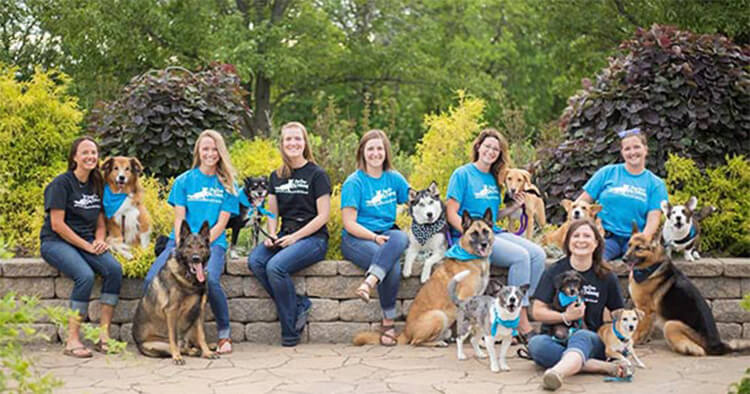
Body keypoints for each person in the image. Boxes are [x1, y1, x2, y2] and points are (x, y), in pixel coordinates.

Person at [144, 129, 239, 354]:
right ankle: (159, 332)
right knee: (151, 279)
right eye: (205, 148)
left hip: (211, 244)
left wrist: (202, 248)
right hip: (180, 243)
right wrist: (181, 247)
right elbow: (179, 218)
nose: (210, 153)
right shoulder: (183, 181)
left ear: (221, 152)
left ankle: (224, 335)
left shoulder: (228, 186)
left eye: (215, 149)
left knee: (210, 280)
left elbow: (221, 224)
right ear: (198, 150)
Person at [445, 128, 546, 337]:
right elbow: (451, 212)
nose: (491, 151)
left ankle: (518, 309)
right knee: (520, 257)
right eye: (487, 146)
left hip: (493, 232)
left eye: (496, 149)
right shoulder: (462, 174)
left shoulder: (494, 179)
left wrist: (510, 209)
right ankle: (520, 323)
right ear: (478, 147)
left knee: (538, 254)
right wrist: (467, 237)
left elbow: (492, 216)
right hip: (473, 238)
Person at [248, 122, 331, 347]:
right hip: (286, 234)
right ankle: (298, 304)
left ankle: (290, 332)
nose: (293, 143)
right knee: (256, 261)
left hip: (313, 239)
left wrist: (296, 238)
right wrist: (272, 234)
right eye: (288, 140)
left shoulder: (317, 174)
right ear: (282, 144)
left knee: (275, 267)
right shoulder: (276, 176)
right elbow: (272, 212)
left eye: (297, 139)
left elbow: (323, 216)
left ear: (305, 143)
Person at [40, 136, 123, 358]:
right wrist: (87, 246)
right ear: (75, 157)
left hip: (86, 241)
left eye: (94, 153)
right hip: (56, 242)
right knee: (85, 275)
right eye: (85, 152)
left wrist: (99, 239)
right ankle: (72, 340)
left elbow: (100, 219)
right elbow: (57, 225)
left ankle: (104, 335)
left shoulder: (97, 183)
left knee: (114, 270)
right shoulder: (60, 184)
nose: (90, 157)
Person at [528, 219, 630, 391]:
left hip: (590, 338)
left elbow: (618, 313)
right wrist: (565, 317)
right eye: (576, 236)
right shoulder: (555, 271)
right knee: (536, 345)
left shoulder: (606, 276)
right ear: (568, 242)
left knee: (581, 336)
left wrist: (621, 341)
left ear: (596, 243)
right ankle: (600, 367)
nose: (581, 240)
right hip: (555, 336)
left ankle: (557, 372)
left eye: (587, 236)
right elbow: (537, 311)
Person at [341, 129, 410, 346]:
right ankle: (388, 323)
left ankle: (370, 281)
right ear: (362, 152)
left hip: (387, 234)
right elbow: (349, 223)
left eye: (379, 148)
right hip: (357, 238)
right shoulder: (354, 182)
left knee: (401, 237)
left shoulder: (394, 178)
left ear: (386, 151)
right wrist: (373, 237)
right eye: (370, 148)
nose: (375, 153)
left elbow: (416, 201)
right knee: (392, 265)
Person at [577, 128, 668, 261]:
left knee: (643, 268)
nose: (632, 152)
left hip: (634, 240)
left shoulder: (655, 184)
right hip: (605, 237)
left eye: (636, 147)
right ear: (622, 152)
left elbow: (653, 220)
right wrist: (587, 230)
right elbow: (581, 203)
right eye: (627, 149)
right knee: (594, 263)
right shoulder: (607, 173)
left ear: (645, 150)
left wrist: (640, 243)